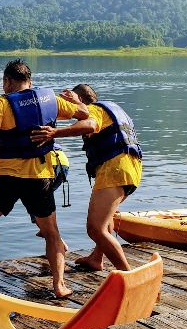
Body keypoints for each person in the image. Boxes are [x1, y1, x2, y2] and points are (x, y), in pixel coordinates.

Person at [0, 59, 88, 298]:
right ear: (29, 81)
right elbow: (84, 114)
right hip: (40, 177)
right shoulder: (50, 99)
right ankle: (59, 285)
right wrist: (70, 109)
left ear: (7, 81)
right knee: (51, 232)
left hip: (7, 177)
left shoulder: (1, 103)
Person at [32, 83, 142, 271]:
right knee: (105, 220)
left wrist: (55, 133)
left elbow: (89, 124)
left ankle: (129, 275)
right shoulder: (109, 108)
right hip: (130, 168)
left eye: (72, 103)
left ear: (80, 100)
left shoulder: (93, 110)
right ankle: (96, 258)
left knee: (95, 229)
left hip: (115, 169)